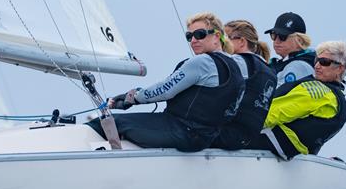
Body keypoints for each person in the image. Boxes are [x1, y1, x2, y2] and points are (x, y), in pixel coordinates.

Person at [87, 12, 244, 151]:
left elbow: (165, 90)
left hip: (182, 131)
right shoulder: (236, 66)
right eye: (189, 36)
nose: (193, 40)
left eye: (200, 34)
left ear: (216, 36)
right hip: (205, 137)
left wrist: (132, 97)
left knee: (106, 122)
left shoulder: (202, 62)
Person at [252, 41, 346, 159]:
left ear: (340, 69)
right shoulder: (338, 99)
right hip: (292, 156)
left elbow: (275, 113)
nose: (316, 65)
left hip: (269, 142)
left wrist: (243, 127)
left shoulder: (318, 91)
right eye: (316, 60)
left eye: (324, 62)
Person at [210, 20, 278, 150]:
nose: (220, 42)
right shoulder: (270, 71)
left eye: (224, 37)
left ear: (241, 41)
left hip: (224, 135)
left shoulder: (236, 61)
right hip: (247, 140)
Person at [264, 12, 316, 87]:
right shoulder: (283, 63)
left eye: (282, 36)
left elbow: (274, 94)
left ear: (299, 40)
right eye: (274, 35)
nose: (276, 41)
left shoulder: (299, 66)